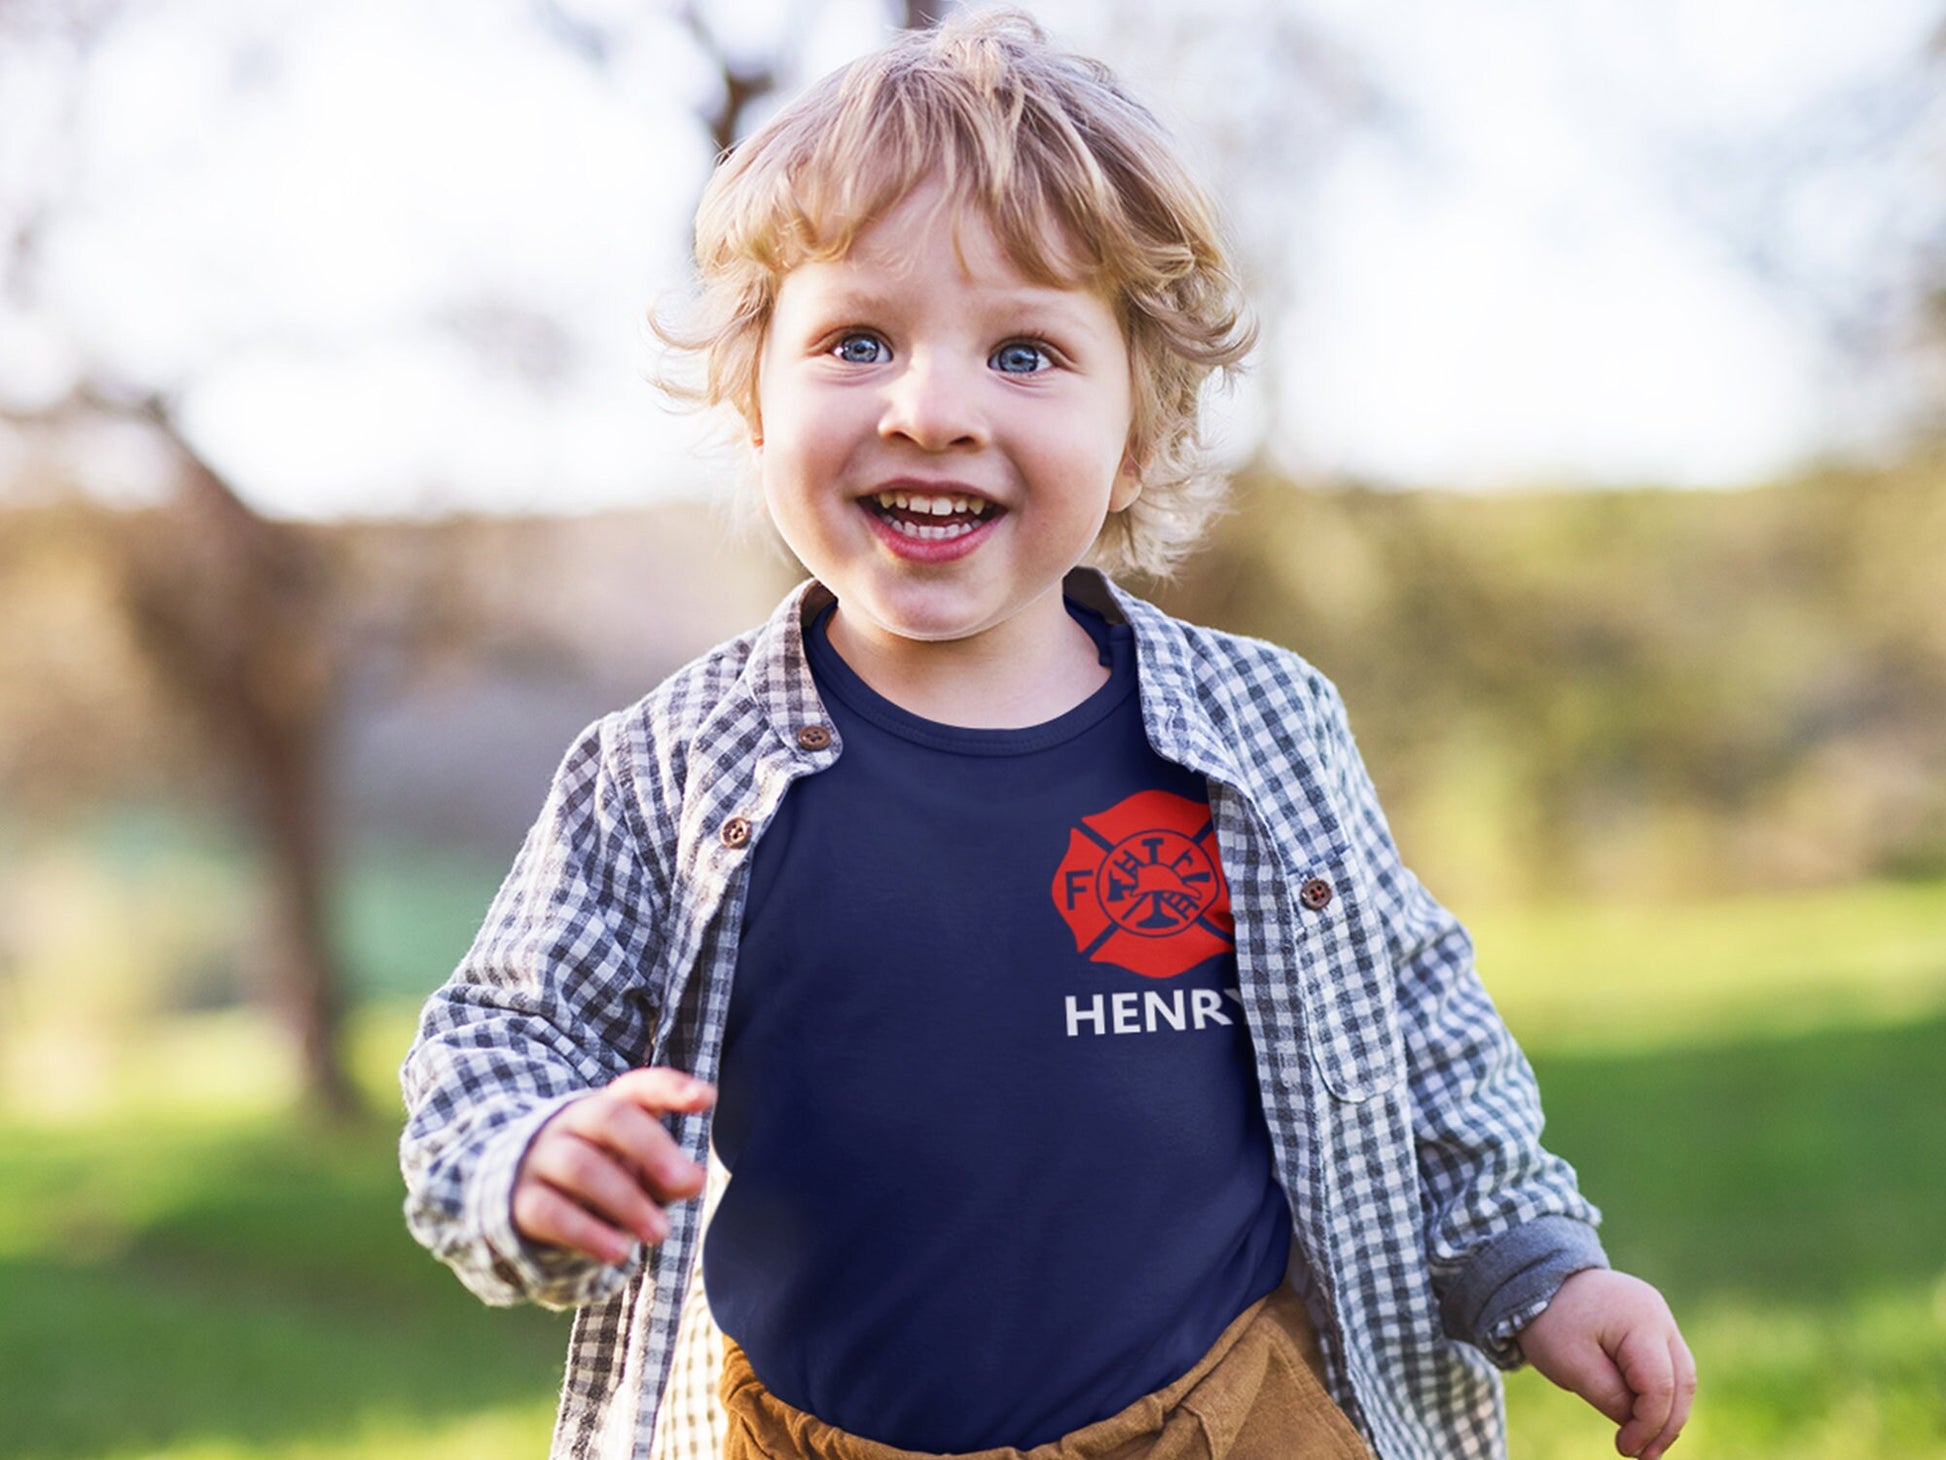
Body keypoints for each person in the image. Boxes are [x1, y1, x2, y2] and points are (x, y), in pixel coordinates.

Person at [399, 11, 1695, 1460]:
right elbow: (495, 1040)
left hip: (1223, 1419)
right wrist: (524, 1159)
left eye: (1023, 351)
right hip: (820, 1434)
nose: (932, 408)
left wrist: (1534, 1262)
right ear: (752, 398)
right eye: (855, 339)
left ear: (1137, 428)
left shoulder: (1261, 730)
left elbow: (1412, 1026)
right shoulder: (665, 773)